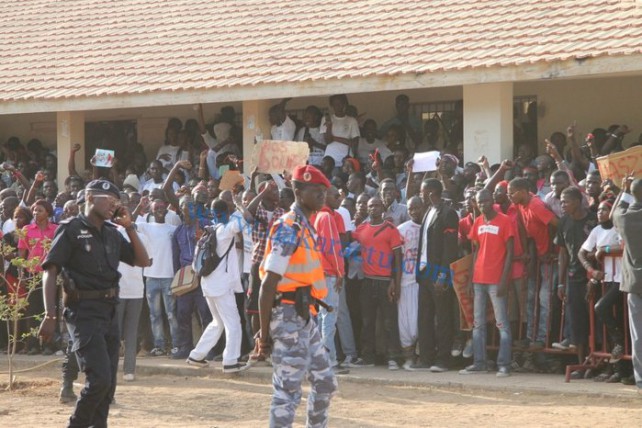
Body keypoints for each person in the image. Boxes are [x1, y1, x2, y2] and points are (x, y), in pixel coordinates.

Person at [38, 179, 150, 428]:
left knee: (107, 385)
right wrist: (50, 315)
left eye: (116, 202)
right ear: (90, 197)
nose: (113, 206)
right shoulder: (70, 229)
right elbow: (50, 270)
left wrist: (129, 227)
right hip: (83, 312)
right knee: (98, 379)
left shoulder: (112, 232)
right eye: (108, 201)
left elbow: (143, 261)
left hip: (109, 311)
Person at [257, 164, 337, 427]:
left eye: (324, 191)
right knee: (287, 391)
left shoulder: (306, 227)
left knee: (324, 381)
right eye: (316, 191)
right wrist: (264, 335)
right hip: (288, 316)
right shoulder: (289, 227)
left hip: (304, 316)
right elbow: (268, 284)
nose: (322, 196)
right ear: (299, 192)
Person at [186, 199, 248, 373]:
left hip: (207, 285)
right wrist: (240, 205)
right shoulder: (226, 229)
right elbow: (247, 220)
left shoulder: (208, 232)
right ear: (227, 212)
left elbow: (195, 265)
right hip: (222, 286)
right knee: (233, 323)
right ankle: (230, 361)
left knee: (218, 322)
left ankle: (196, 356)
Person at [460, 189, 514, 377]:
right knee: (478, 324)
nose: (482, 205)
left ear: (492, 200)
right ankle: (479, 362)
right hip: (478, 280)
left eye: (485, 201)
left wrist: (503, 280)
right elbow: (476, 252)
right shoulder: (478, 222)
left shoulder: (505, 221)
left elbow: (510, 253)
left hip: (495, 280)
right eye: (479, 202)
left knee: (502, 324)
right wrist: (470, 278)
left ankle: (504, 364)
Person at [351, 196, 403, 370]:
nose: (373, 208)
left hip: (386, 282)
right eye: (370, 205)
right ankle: (368, 358)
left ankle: (394, 357)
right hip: (367, 281)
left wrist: (395, 282)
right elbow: (348, 243)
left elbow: (398, 258)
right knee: (367, 322)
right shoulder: (361, 228)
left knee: (389, 322)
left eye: (377, 205)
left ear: (383, 208)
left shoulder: (391, 229)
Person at [412, 178, 459, 372]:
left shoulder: (448, 213)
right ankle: (426, 358)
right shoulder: (428, 212)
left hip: (438, 273)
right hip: (424, 272)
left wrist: (442, 275)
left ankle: (443, 360)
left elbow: (450, 249)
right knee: (425, 317)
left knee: (443, 317)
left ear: (431, 192)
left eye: (422, 192)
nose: (420, 195)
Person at [611, 174, 642, 392]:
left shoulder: (625, 218)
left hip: (635, 285)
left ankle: (641, 381)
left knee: (638, 336)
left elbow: (614, 212)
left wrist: (624, 191)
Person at [396, 196, 425, 370]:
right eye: (410, 209)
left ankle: (421, 355)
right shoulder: (401, 230)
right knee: (405, 323)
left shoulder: (429, 226)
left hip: (422, 282)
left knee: (420, 321)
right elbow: (396, 259)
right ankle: (408, 357)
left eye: (417, 208)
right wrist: (396, 282)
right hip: (405, 282)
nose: (414, 211)